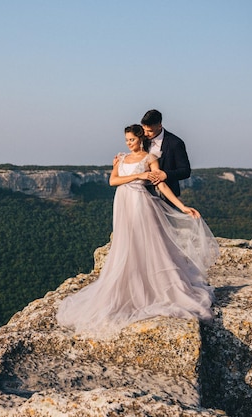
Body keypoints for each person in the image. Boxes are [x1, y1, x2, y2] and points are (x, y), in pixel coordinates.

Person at [56, 124, 218, 339]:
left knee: (146, 244)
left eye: (131, 139)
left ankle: (151, 287)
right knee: (126, 244)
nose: (128, 143)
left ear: (140, 138)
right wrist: (136, 177)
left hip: (141, 203)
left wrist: (182, 207)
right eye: (126, 140)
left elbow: (161, 185)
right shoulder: (121, 158)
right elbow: (113, 181)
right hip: (123, 204)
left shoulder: (150, 159)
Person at [140, 109, 191, 199]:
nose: (146, 134)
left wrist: (166, 174)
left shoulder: (175, 143)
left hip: (167, 195)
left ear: (159, 126)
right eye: (144, 130)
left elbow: (185, 171)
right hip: (143, 194)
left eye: (150, 131)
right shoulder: (141, 139)